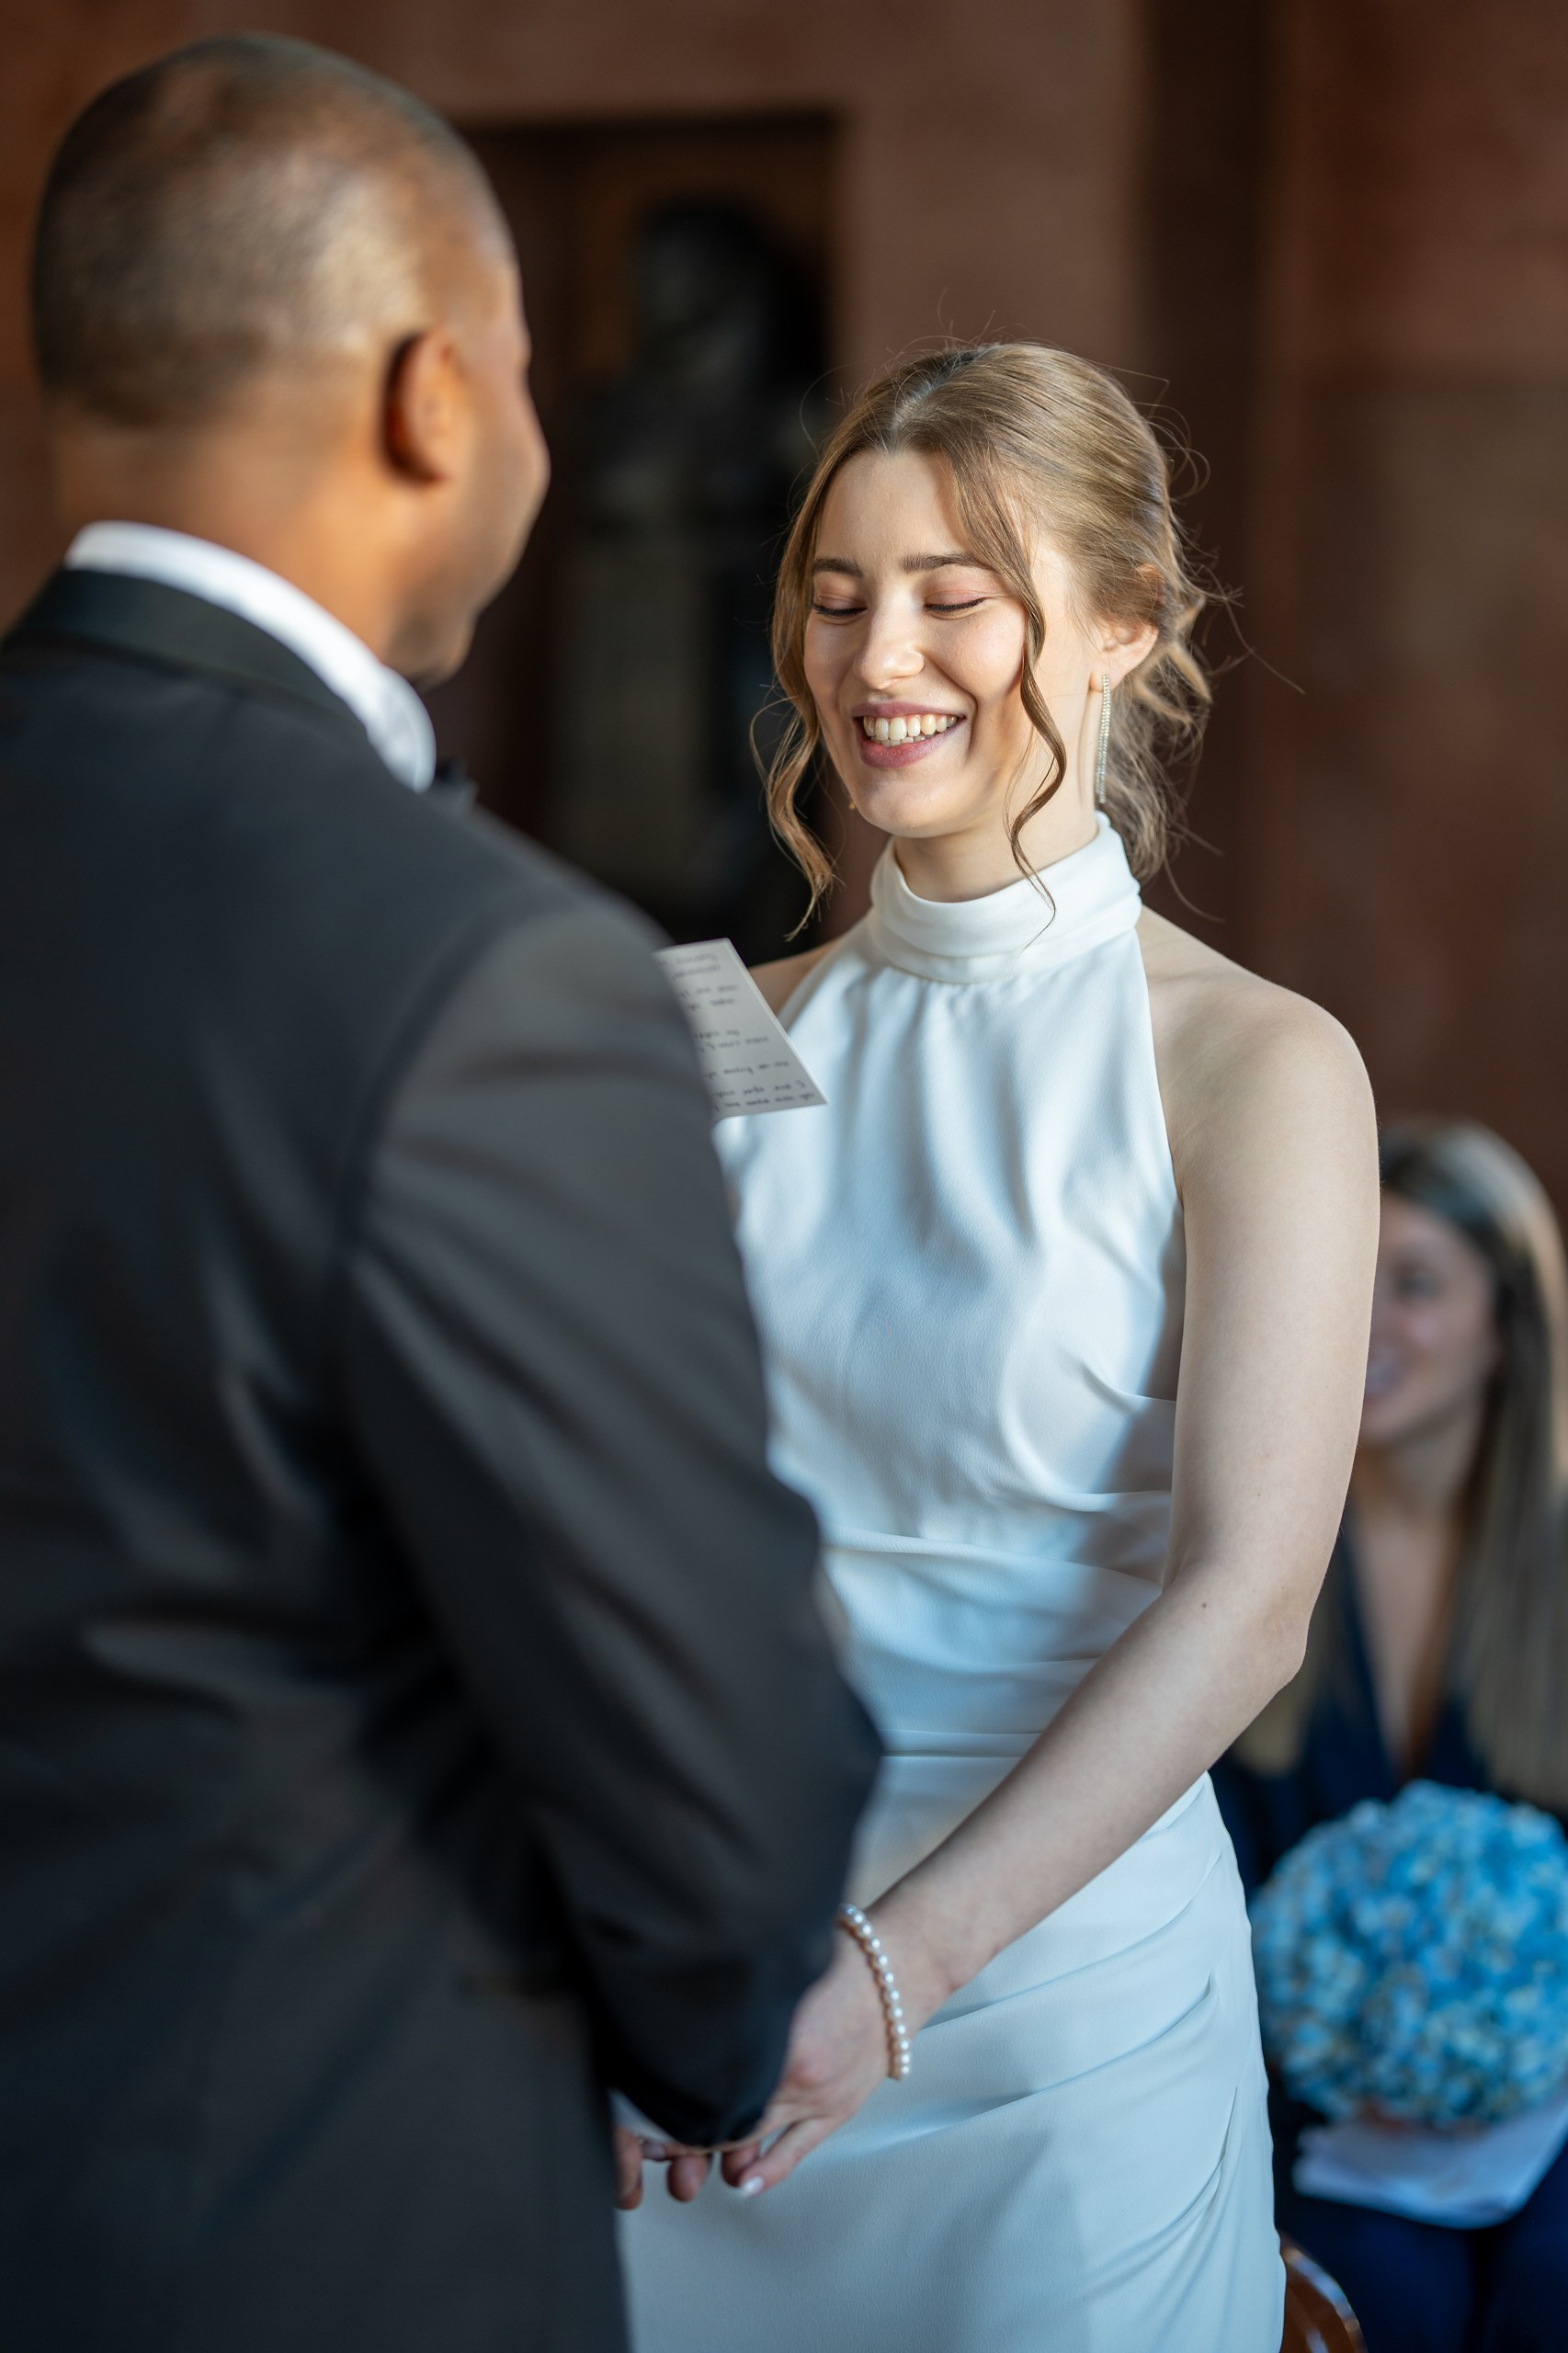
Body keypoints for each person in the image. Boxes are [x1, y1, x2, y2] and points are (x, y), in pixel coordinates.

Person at [0, 37, 878, 2353]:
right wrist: (707, 2026)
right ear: (428, 396)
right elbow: (707, 1775)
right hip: (287, 2219)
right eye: (522, 371)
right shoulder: (482, 969)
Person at [616, 342, 1380, 2351]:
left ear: (1129, 624)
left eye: (958, 591)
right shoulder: (710, 1018)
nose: (879, 653)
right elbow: (594, 1521)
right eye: (839, 588)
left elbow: (1245, 1603)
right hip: (691, 1997)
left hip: (1052, 2012)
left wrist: (894, 1971)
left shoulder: (1247, 1061)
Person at [1215, 1118, 1568, 2353]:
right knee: (1372, 2297)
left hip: (1552, 2115)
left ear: (1507, 1324)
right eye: (1347, 1277)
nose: (1366, 1325)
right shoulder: (1246, 1555)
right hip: (1305, 2112)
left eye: (1411, 1286)